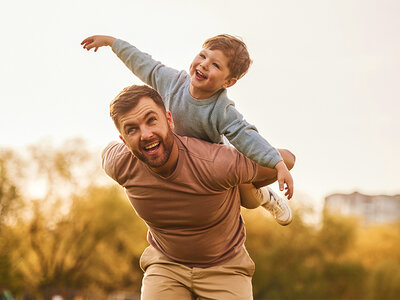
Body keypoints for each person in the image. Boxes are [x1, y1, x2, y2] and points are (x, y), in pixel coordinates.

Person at [102, 85, 295, 299]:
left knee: (248, 195)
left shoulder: (214, 162)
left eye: (151, 120)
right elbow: (106, 152)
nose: (145, 134)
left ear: (169, 120)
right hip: (167, 265)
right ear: (123, 140)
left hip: (225, 267)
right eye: (131, 129)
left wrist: (248, 181)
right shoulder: (119, 163)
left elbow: (288, 159)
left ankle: (261, 195)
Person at [82, 34, 294, 225]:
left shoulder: (222, 110)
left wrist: (277, 164)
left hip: (212, 163)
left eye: (215, 66)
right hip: (176, 157)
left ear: (228, 82)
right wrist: (112, 43)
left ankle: (267, 197)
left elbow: (245, 134)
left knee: (248, 200)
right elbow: (143, 63)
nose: (203, 65)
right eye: (202, 56)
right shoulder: (173, 81)